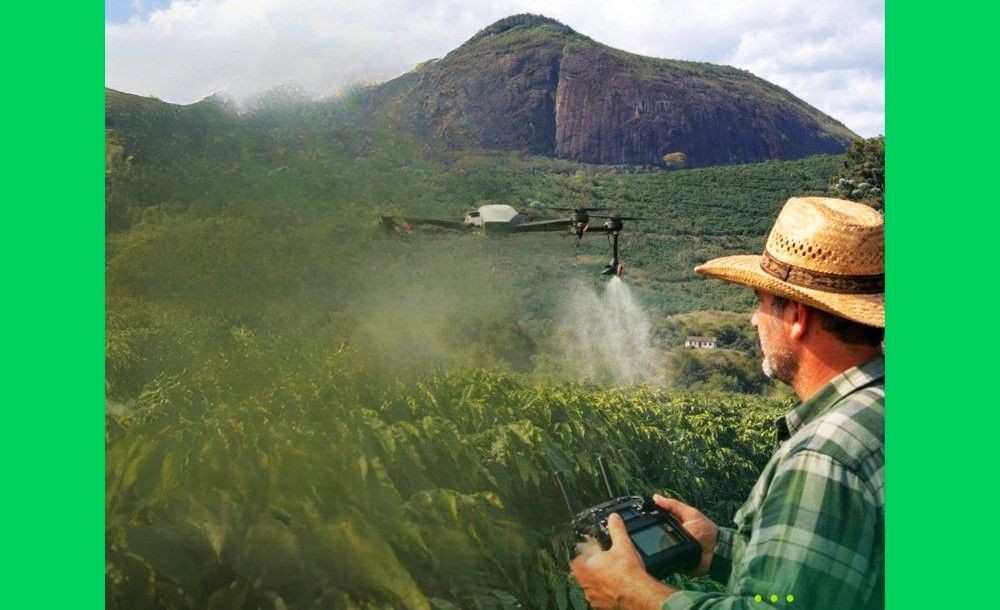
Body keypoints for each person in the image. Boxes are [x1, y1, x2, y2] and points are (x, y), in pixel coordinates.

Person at [571, 197, 884, 610]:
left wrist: (635, 596)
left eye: (760, 300)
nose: (754, 319)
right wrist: (715, 548)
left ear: (797, 317)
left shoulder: (825, 454)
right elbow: (827, 584)